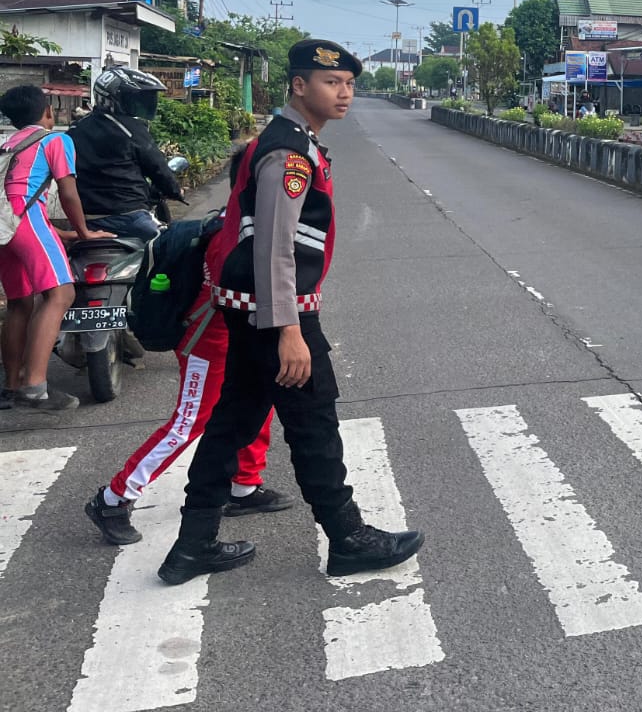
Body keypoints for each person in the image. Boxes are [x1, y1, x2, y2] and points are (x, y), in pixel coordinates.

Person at [157, 39, 422, 585]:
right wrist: (290, 332)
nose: (344, 92)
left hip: (249, 311)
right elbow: (274, 247)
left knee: (231, 424)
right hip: (274, 314)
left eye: (349, 83)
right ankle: (347, 538)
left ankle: (192, 544)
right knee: (314, 423)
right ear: (299, 86)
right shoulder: (288, 154)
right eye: (331, 83)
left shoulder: (283, 142)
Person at [84, 149, 292, 545]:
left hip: (234, 335)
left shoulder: (246, 221)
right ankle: (114, 497)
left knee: (257, 400)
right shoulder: (234, 235)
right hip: (207, 340)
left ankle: (244, 485)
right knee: (189, 422)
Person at [0, 85, 114, 411]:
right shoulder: (55, 140)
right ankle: (35, 388)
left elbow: (15, 197)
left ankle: (10, 387)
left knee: (19, 303)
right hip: (25, 222)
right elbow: (68, 193)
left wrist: (62, 236)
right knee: (60, 295)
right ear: (48, 111)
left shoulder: (8, 144)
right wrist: (84, 232)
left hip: (5, 227)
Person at [69, 65, 183, 243]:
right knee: (171, 249)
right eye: (131, 100)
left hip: (85, 220)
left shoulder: (75, 129)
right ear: (112, 99)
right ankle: (162, 273)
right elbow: (157, 167)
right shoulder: (131, 129)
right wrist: (175, 190)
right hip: (131, 217)